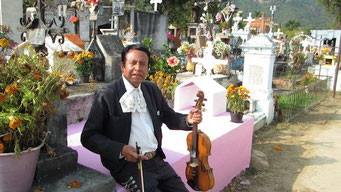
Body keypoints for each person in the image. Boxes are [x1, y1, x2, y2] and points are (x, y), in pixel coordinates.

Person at [81, 44, 203, 192]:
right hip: (129, 167)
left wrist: (187, 120)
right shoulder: (107, 94)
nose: (138, 68)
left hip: (157, 161)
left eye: (143, 64)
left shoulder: (151, 89)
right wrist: (120, 149)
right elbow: (88, 136)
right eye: (133, 63)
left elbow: (169, 116)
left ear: (147, 68)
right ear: (122, 66)